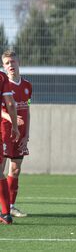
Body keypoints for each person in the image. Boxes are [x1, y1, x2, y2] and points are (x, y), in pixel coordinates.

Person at [1, 50, 30, 219]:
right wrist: (11, 119)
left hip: (21, 133)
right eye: (7, 63)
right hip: (4, 131)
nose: (11, 65)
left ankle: (11, 206)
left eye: (13, 62)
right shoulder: (4, 84)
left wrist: (27, 133)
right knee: (1, 169)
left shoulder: (27, 85)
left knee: (16, 169)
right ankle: (3, 208)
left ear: (18, 62)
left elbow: (28, 109)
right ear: (4, 67)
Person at [0, 50, 20, 224]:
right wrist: (14, 124)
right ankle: (6, 213)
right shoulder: (2, 78)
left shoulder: (26, 85)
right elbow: (10, 104)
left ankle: (6, 211)